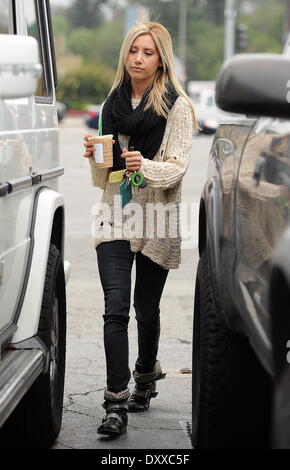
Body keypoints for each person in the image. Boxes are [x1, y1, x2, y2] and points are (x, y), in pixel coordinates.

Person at [83, 21, 196, 437]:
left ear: (161, 58)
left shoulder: (176, 106)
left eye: (147, 52)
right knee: (116, 307)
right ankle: (115, 404)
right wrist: (96, 158)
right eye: (133, 50)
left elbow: (178, 168)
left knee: (145, 310)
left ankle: (145, 374)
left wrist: (142, 165)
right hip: (115, 214)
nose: (138, 58)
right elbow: (103, 180)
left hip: (157, 219)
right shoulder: (111, 104)